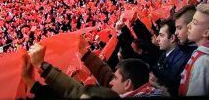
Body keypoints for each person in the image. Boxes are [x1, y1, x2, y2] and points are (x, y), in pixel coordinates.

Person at [26, 42, 167, 98]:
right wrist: (84, 53)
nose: (111, 82)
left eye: (115, 79)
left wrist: (42, 67)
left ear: (128, 84)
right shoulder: (146, 92)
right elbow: (106, 75)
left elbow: (75, 92)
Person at [152, 18, 190, 96]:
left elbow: (173, 87)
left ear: (172, 38)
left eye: (161, 35)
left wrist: (156, 81)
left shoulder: (183, 59)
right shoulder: (164, 54)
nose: (157, 39)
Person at [179, 4, 209, 96]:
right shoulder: (201, 54)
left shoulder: (203, 62)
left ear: (206, 32)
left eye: (194, 22)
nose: (188, 25)